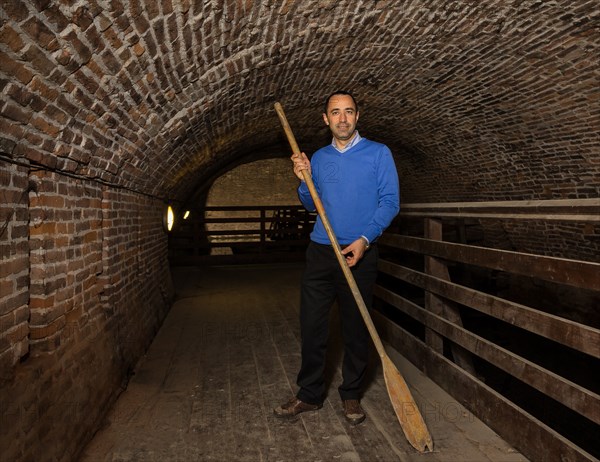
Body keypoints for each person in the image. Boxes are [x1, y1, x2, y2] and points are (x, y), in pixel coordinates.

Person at [274, 90, 400, 425]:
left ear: (357, 116)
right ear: (325, 118)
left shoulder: (378, 154)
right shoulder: (318, 157)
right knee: (312, 325)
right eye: (335, 112)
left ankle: (352, 395)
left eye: (348, 112)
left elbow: (390, 201)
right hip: (320, 252)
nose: (342, 118)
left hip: (359, 251)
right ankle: (309, 395)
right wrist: (304, 180)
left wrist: (364, 239)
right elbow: (311, 204)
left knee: (356, 327)